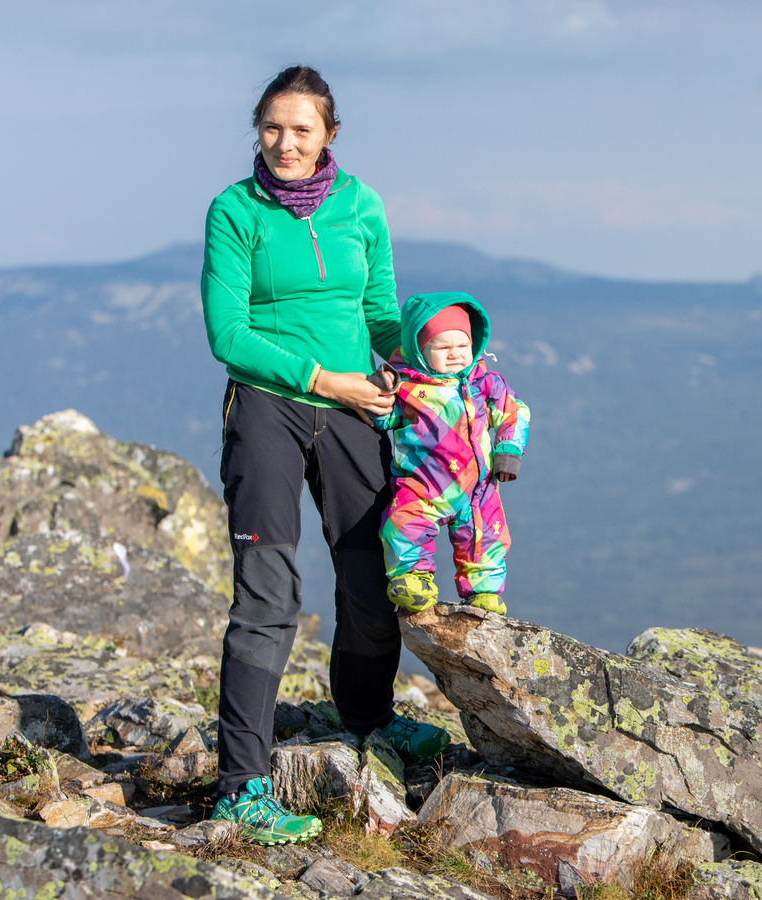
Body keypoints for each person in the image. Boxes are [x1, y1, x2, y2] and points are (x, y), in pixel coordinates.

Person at [200, 66, 450, 846]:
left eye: (301, 129)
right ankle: (240, 787)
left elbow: (379, 312)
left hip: (354, 411)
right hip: (268, 408)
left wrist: (434, 367)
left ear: (328, 136)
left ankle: (369, 722)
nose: (284, 143)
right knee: (268, 597)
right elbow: (227, 334)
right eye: (272, 127)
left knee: (374, 578)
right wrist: (322, 379)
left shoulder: (361, 204)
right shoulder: (234, 211)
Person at [372, 292, 530, 614]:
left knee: (486, 538)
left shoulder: (485, 382)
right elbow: (385, 417)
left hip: (480, 487)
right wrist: (380, 391)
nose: (456, 354)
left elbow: (514, 412)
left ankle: (483, 592)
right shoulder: (407, 388)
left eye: (463, 345)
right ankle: (412, 579)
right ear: (419, 349)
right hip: (424, 484)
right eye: (442, 347)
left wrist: (508, 451)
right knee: (404, 523)